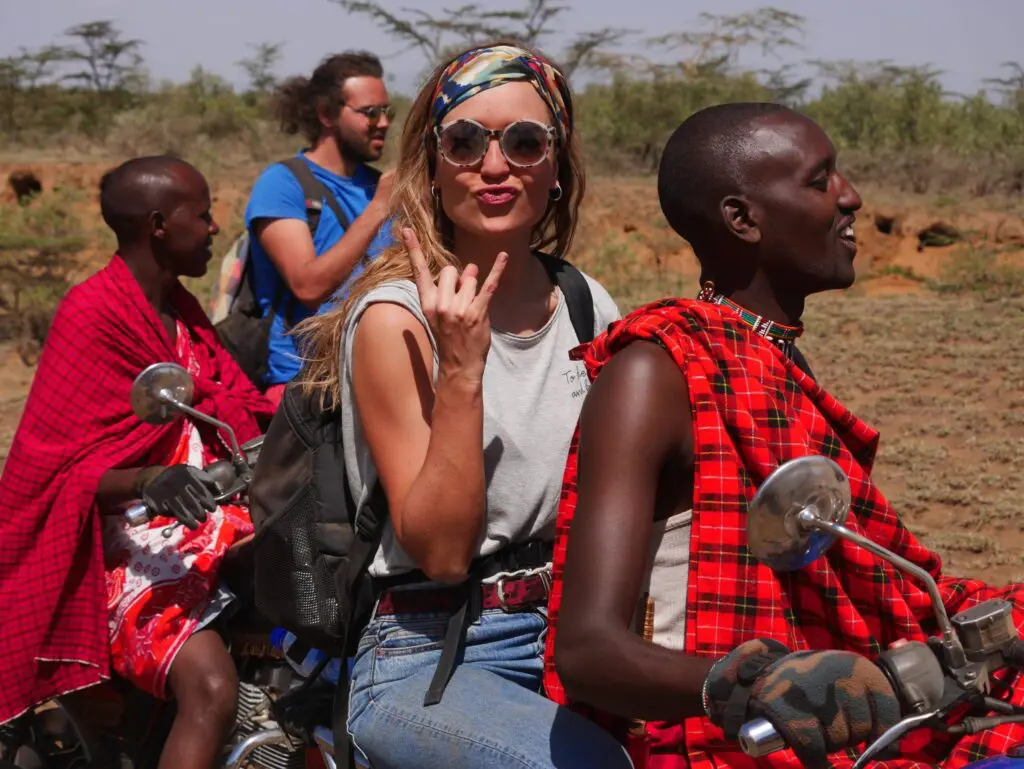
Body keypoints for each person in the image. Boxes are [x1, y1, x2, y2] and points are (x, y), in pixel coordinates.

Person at [541, 102, 1024, 769]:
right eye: (820, 180)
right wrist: (750, 685)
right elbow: (588, 650)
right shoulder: (655, 372)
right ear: (743, 218)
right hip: (733, 744)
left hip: (848, 714)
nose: (850, 197)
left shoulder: (770, 361)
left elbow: (873, 583)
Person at [295, 41, 630, 769]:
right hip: (427, 650)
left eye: (524, 141)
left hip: (571, 627)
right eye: (466, 141)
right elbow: (443, 553)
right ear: (434, 164)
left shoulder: (583, 302)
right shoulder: (397, 319)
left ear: (557, 168)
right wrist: (462, 370)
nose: (495, 163)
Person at [0, 156, 274, 769]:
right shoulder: (91, 313)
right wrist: (148, 478)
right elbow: (48, 474)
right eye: (200, 215)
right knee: (210, 690)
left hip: (205, 513)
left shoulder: (183, 312)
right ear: (158, 224)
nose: (211, 227)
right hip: (120, 544)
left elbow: (233, 401)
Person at [244, 51, 396, 405]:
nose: (384, 123)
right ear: (326, 114)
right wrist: (378, 209)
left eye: (387, 111)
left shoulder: (378, 187)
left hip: (374, 378)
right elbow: (307, 285)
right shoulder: (282, 184)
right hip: (303, 387)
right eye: (370, 112)